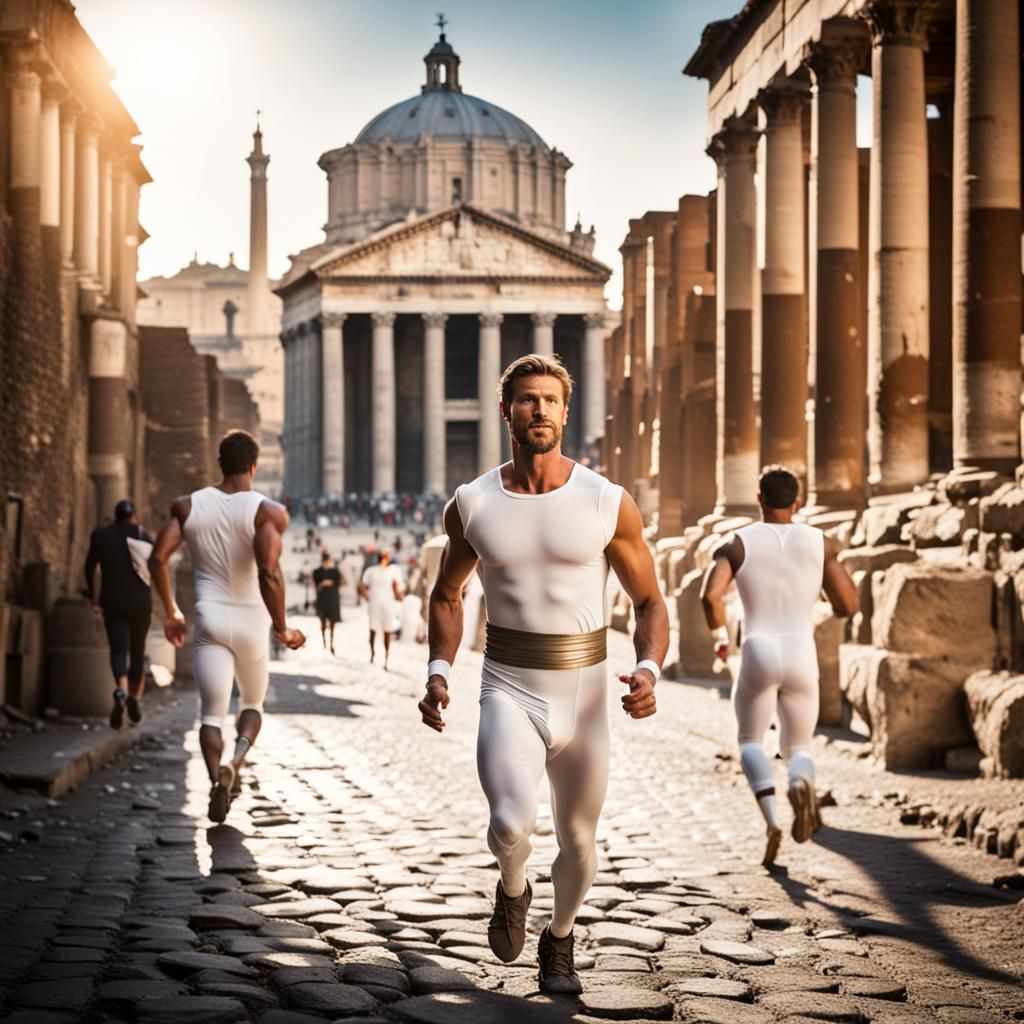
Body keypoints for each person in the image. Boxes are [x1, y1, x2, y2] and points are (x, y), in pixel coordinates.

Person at [418, 354, 668, 995]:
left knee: (580, 841)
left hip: (584, 694)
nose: (540, 411)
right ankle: (512, 888)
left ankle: (560, 938)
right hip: (507, 685)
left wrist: (648, 667)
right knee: (509, 823)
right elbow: (447, 595)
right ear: (507, 411)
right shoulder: (472, 503)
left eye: (551, 401)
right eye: (527, 400)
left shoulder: (607, 501)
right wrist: (439, 670)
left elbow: (649, 602)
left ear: (564, 411)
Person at [700, 465, 858, 867]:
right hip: (801, 650)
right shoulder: (819, 543)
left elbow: (710, 596)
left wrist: (721, 639)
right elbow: (848, 605)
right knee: (799, 746)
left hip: (757, 648)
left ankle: (771, 821)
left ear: (758, 499)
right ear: (798, 502)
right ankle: (801, 782)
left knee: (751, 741)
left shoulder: (738, 544)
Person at [149, 429, 306, 824]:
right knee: (252, 704)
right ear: (254, 466)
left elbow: (156, 559)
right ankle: (236, 760)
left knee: (210, 714)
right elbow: (269, 572)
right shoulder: (268, 512)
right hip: (252, 619)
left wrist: (171, 610)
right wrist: (283, 628)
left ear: (219, 464)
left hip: (208, 617)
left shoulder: (188, 506)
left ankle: (215, 780)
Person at [84, 499, 154, 730]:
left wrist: (92, 596)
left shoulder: (101, 535)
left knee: (117, 650)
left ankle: (122, 692)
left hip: (112, 601)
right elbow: (155, 567)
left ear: (115, 516)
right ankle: (135, 700)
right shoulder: (143, 535)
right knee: (137, 651)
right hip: (141, 603)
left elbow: (89, 566)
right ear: (134, 516)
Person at [358, 550, 404, 670]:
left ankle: (386, 657)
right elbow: (362, 584)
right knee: (373, 628)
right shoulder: (372, 571)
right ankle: (372, 653)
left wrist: (399, 594)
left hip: (388, 603)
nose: (386, 558)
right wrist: (366, 595)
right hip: (375, 603)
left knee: (387, 630)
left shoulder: (393, 571)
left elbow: (399, 587)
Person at [313, 550, 345, 654]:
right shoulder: (318, 571)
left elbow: (340, 582)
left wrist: (328, 582)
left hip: (332, 600)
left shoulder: (335, 571)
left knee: (332, 623)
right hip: (322, 600)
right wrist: (323, 583)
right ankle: (324, 642)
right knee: (322, 622)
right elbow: (316, 583)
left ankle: (331, 643)